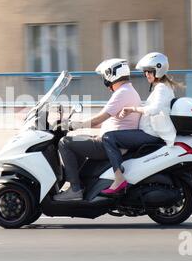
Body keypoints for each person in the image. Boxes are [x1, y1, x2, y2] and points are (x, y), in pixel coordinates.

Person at [53, 58, 142, 201]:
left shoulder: (122, 93)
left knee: (65, 142)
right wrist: (77, 124)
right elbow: (107, 121)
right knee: (78, 141)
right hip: (113, 141)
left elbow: (99, 119)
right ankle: (79, 183)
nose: (105, 81)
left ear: (111, 74)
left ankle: (75, 190)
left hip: (109, 145)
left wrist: (73, 125)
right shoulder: (128, 91)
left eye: (104, 77)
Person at [100, 52, 181, 197]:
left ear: (159, 69)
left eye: (150, 71)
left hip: (151, 134)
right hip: (150, 132)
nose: (147, 74)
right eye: (145, 71)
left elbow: (154, 109)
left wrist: (132, 109)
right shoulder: (161, 87)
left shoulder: (161, 88)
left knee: (108, 138)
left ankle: (119, 179)